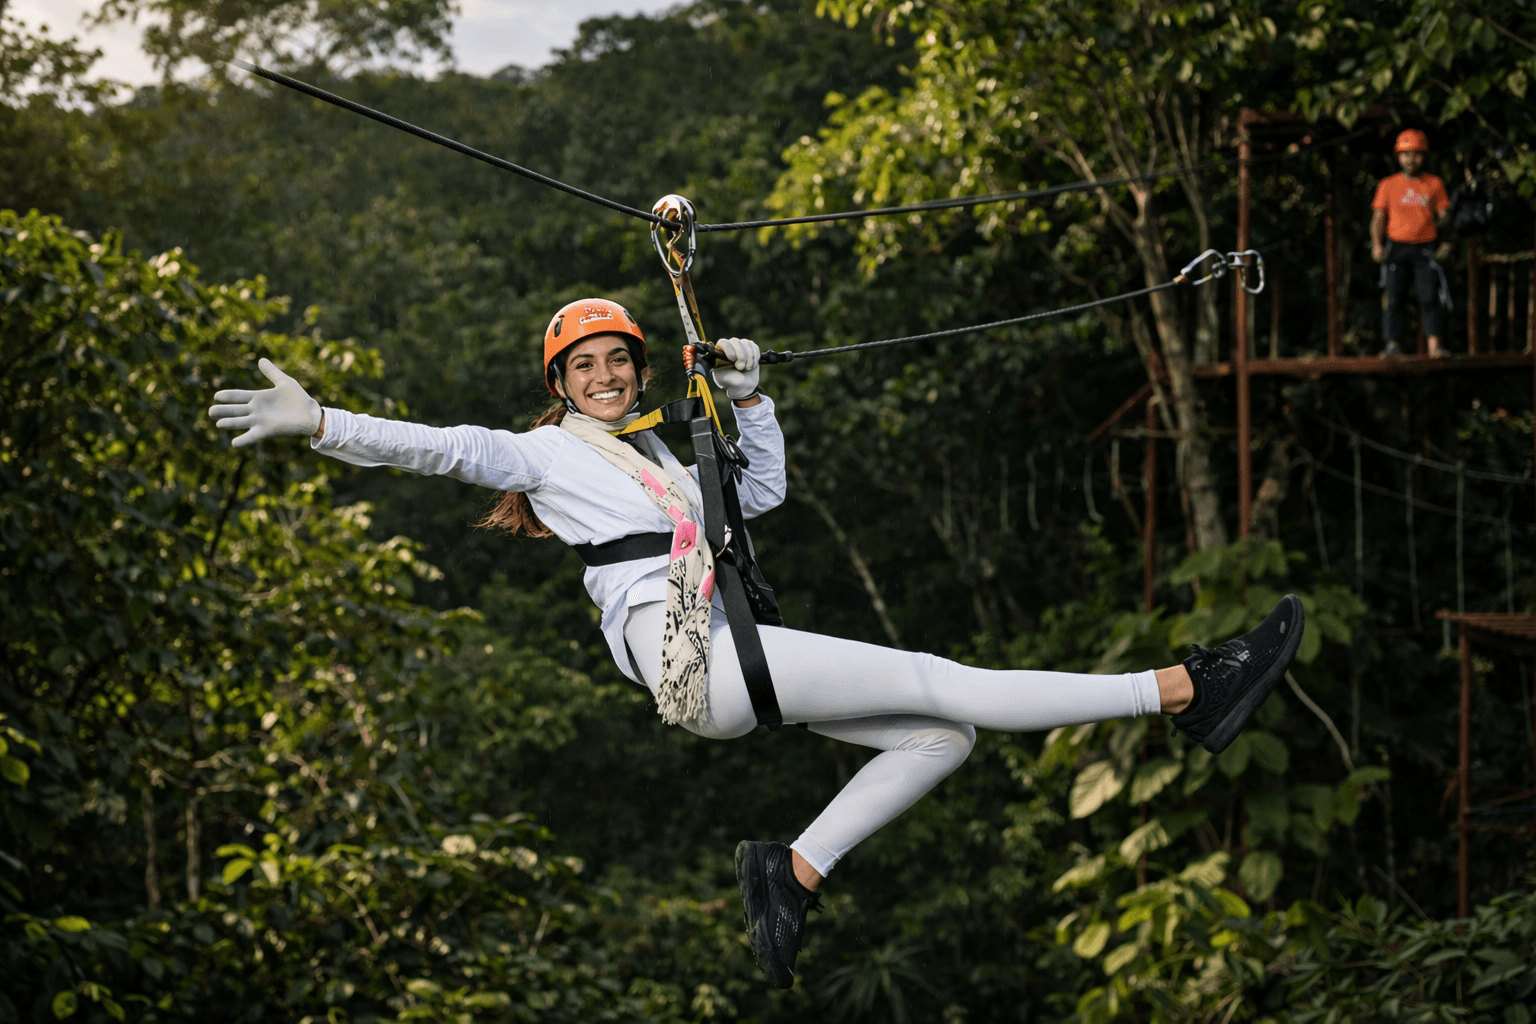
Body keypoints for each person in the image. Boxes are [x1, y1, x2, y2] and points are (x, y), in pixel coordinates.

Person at [207, 297, 1307, 989]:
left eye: (617, 361)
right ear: (557, 386)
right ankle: (1186, 687)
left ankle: (790, 870)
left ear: (636, 371)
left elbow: (760, 491)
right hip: (694, 659)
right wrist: (324, 426)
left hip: (728, 660)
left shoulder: (669, 466)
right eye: (584, 365)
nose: (605, 374)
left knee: (938, 736)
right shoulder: (547, 458)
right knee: (947, 680)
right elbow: (441, 448)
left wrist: (749, 392)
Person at [1371, 129, 1453, 357]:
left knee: (1429, 297)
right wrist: (1377, 245)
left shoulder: (1434, 183)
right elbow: (1378, 218)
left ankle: (1434, 346)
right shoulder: (1388, 185)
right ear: (1398, 156)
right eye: (1406, 154)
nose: (1411, 159)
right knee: (1394, 297)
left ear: (1424, 156)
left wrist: (1442, 222)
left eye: (1416, 154)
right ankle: (1392, 344)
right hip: (1396, 247)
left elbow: (1444, 215)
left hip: (1425, 247)